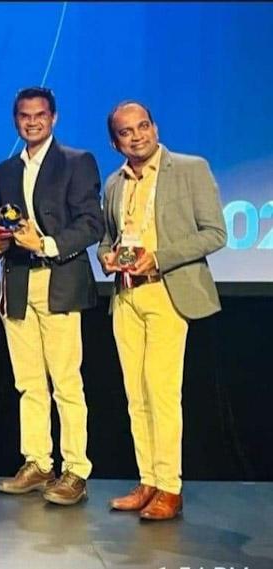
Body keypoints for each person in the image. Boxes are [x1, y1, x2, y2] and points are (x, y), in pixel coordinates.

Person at [99, 101, 226, 520]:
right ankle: (148, 480)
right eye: (126, 132)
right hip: (126, 296)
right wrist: (106, 257)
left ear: (155, 127)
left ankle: (170, 486)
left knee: (162, 392)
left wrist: (159, 257)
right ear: (115, 142)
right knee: (136, 395)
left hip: (166, 292)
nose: (137, 136)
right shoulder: (114, 182)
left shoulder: (189, 168)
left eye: (143, 126)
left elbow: (215, 233)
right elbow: (107, 238)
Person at [0, 86, 103, 506]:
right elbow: (6, 224)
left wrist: (46, 244)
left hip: (59, 280)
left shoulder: (76, 161)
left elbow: (91, 223)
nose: (32, 122)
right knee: (29, 383)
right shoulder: (6, 170)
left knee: (66, 383)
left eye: (40, 115)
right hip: (18, 282)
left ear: (53, 118)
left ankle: (76, 470)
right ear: (15, 120)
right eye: (25, 115)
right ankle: (38, 462)